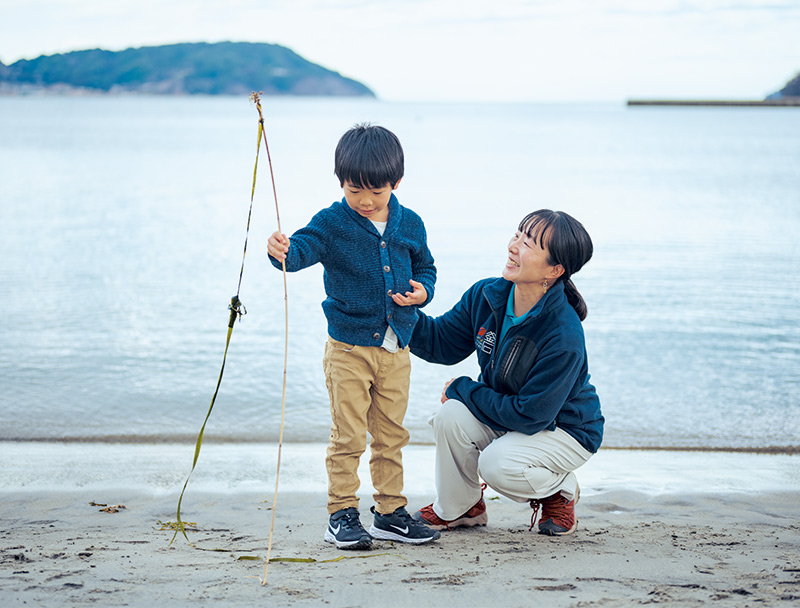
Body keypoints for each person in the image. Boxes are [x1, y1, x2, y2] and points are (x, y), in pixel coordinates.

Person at [267, 123, 441, 550]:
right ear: (340, 183)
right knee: (347, 435)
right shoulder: (332, 222)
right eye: (353, 190)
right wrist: (283, 251)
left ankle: (389, 513)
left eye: (375, 192)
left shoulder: (410, 223)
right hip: (348, 348)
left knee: (391, 433)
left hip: (397, 347)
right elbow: (302, 251)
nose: (364, 201)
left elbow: (427, 269)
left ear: (395, 183)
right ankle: (341, 513)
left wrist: (422, 291)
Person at [409, 209, 603, 536]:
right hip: (512, 413)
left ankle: (559, 489)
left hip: (565, 430)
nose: (514, 246)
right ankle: (461, 507)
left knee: (497, 464)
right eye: (518, 235)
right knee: (450, 416)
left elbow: (531, 415)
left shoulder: (563, 333)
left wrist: (463, 388)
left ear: (554, 270)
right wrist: (400, 309)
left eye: (529, 244)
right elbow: (441, 343)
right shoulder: (488, 295)